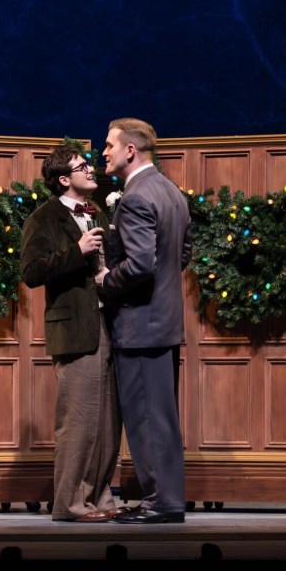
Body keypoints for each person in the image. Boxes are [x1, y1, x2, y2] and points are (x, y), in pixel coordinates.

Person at [20, 145, 124, 522]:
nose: (91, 170)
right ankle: (68, 503)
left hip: (109, 324)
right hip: (74, 327)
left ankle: (100, 498)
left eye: (89, 164)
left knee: (108, 422)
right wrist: (77, 251)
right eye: (82, 167)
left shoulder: (102, 211)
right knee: (78, 420)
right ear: (64, 179)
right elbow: (31, 272)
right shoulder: (44, 218)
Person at [96, 117, 191, 524]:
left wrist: (105, 281)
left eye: (109, 145)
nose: (103, 152)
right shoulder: (171, 191)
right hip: (164, 322)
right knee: (161, 418)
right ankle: (164, 498)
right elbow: (182, 254)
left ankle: (162, 503)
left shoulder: (135, 197)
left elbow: (139, 265)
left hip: (140, 326)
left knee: (147, 420)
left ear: (130, 151)